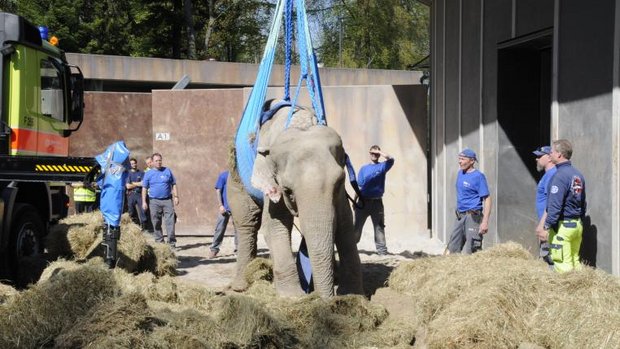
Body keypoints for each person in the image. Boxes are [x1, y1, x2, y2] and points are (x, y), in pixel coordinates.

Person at [536, 139, 586, 272]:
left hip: (563, 227)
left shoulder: (559, 176)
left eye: (551, 152)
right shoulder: (577, 174)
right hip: (577, 225)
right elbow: (583, 202)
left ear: (559, 155)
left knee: (563, 266)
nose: (550, 154)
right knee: (575, 262)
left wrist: (546, 226)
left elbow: (554, 205)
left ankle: (570, 292)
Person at [446, 148, 492, 254]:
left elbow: (487, 199)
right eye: (459, 159)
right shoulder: (460, 173)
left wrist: (485, 222)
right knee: (453, 248)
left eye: (462, 159)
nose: (460, 161)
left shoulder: (478, 176)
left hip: (473, 217)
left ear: (472, 161)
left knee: (473, 251)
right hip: (460, 216)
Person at [353, 145, 394, 255]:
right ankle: (351, 249)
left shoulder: (382, 167)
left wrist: (380, 152)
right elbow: (359, 186)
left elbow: (391, 159)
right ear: (369, 153)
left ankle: (382, 252)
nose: (374, 155)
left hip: (377, 203)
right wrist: (354, 201)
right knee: (356, 228)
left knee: (379, 228)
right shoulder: (363, 169)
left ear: (379, 154)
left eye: (376, 153)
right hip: (362, 202)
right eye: (372, 153)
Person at [142, 153, 179, 248]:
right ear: (152, 162)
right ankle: (159, 242)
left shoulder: (167, 171)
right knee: (156, 222)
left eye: (160, 160)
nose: (158, 162)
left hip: (167, 201)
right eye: (156, 161)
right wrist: (144, 201)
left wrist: (176, 196)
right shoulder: (148, 174)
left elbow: (174, 184)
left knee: (170, 222)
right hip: (154, 201)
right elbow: (144, 188)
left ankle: (171, 243)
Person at [532, 146, 557, 265]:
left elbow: (551, 202)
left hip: (548, 224)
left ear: (549, 157)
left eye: (539, 156)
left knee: (549, 258)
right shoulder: (546, 175)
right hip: (546, 222)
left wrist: (544, 225)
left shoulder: (552, 175)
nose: (536, 159)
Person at [208, 171, 238, 258]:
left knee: (238, 230)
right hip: (224, 208)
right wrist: (220, 205)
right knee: (220, 229)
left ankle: (238, 250)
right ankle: (214, 249)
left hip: (236, 208)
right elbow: (218, 190)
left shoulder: (239, 175)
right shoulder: (224, 175)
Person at [126, 158, 148, 229]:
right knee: (131, 211)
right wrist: (138, 184)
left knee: (143, 210)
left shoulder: (141, 173)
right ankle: (134, 227)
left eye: (134, 163)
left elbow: (143, 183)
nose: (133, 165)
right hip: (131, 194)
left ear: (136, 163)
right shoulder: (128, 173)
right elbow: (128, 186)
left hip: (139, 194)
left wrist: (133, 183)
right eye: (132, 164)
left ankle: (144, 227)